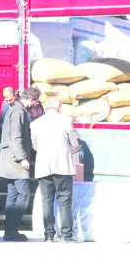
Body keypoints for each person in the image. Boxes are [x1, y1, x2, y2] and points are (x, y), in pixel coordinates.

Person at [30, 95, 81, 242]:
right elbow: (75, 143)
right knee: (64, 200)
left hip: (43, 166)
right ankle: (66, 236)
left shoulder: (35, 123)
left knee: (46, 201)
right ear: (59, 108)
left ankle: (49, 235)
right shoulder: (66, 120)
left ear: (45, 108)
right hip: (63, 166)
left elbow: (35, 146)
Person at [0, 86, 41, 242]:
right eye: (36, 102)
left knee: (13, 195)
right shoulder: (19, 111)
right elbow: (16, 137)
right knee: (24, 194)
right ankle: (12, 230)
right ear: (31, 99)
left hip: (8, 159)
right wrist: (23, 158)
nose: (35, 105)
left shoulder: (13, 109)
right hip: (15, 161)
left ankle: (9, 231)